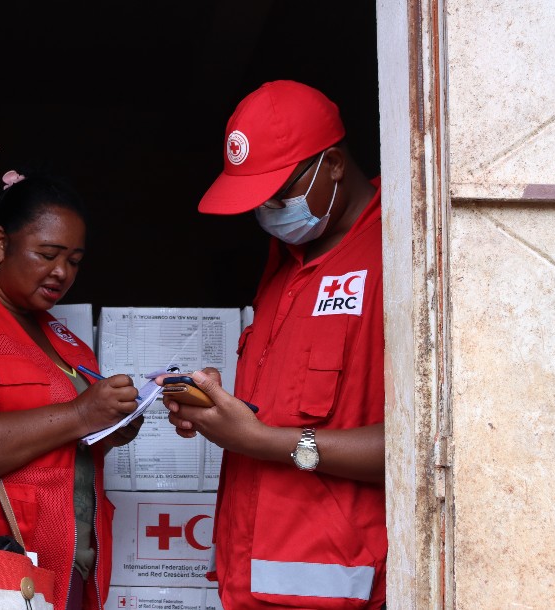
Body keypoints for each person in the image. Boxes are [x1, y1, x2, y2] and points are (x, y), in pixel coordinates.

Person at [162, 81, 387, 609]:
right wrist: (224, 410)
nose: (270, 213)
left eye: (280, 195)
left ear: (332, 164)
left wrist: (257, 439)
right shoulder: (286, 259)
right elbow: (283, 408)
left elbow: (425, 447)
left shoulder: (399, 250)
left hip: (342, 591)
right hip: (252, 583)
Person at [0, 170, 141, 610]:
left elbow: (69, 433)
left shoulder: (64, 337)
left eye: (74, 261)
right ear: (1, 243)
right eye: (47, 254)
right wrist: (81, 415)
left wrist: (115, 422)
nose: (61, 272)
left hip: (70, 567)